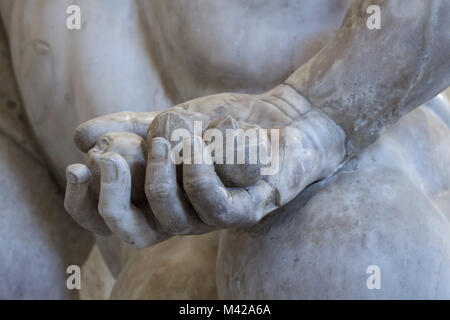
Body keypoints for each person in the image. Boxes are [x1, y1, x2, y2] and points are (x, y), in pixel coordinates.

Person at [2, 0, 450, 298]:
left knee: (324, 249)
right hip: (158, 252)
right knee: (165, 288)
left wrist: (315, 116)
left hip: (374, 146)